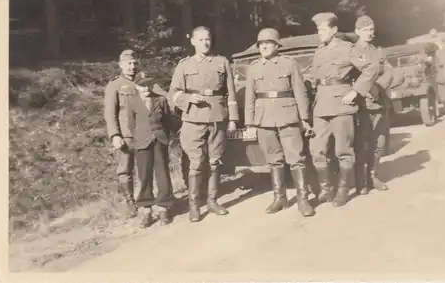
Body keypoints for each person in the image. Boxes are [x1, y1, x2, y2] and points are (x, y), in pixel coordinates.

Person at [309, 12, 378, 207]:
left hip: (342, 104)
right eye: (318, 30)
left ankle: (343, 190)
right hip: (321, 105)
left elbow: (371, 68)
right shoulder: (319, 51)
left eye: (322, 30)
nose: (319, 34)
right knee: (317, 150)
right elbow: (314, 76)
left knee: (343, 150)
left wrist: (356, 91)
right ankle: (326, 190)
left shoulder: (348, 48)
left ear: (334, 30)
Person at [169, 26, 238, 222]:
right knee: (196, 163)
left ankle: (213, 201)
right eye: (200, 40)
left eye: (207, 39)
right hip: (193, 119)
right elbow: (173, 93)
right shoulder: (184, 65)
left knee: (215, 162)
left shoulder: (221, 62)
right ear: (192, 41)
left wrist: (232, 118)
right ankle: (194, 205)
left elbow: (231, 93)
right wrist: (189, 98)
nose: (205, 43)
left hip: (217, 117)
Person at [244, 28, 315, 217]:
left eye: (268, 43)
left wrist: (304, 119)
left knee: (296, 159)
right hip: (264, 118)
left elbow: (300, 92)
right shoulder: (253, 67)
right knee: (273, 160)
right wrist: (250, 123)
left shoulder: (289, 64)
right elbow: (249, 97)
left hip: (288, 116)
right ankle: (279, 198)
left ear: (277, 45)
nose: (264, 46)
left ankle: (303, 199)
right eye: (261, 44)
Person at [126, 71, 176, 228]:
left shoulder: (160, 100)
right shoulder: (132, 102)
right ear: (137, 87)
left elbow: (167, 121)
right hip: (141, 142)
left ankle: (163, 208)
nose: (146, 88)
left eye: (148, 84)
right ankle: (146, 210)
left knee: (162, 174)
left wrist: (163, 137)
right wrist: (138, 138)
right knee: (144, 176)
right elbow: (131, 125)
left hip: (159, 141)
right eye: (142, 85)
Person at [351, 15, 392, 195]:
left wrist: (377, 88)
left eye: (371, 29)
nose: (369, 33)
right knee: (363, 143)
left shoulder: (379, 52)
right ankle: (361, 181)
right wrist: (366, 90)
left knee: (379, 142)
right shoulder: (353, 52)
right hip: (363, 104)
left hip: (379, 101)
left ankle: (373, 176)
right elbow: (355, 77)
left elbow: (391, 73)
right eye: (365, 30)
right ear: (357, 31)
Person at [104, 49, 140, 218]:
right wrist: (115, 135)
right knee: (125, 170)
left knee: (146, 168)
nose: (132, 67)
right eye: (128, 64)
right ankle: (130, 202)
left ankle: (147, 198)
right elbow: (110, 113)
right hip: (125, 135)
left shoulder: (144, 81)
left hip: (144, 133)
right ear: (120, 65)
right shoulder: (114, 85)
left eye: (134, 63)